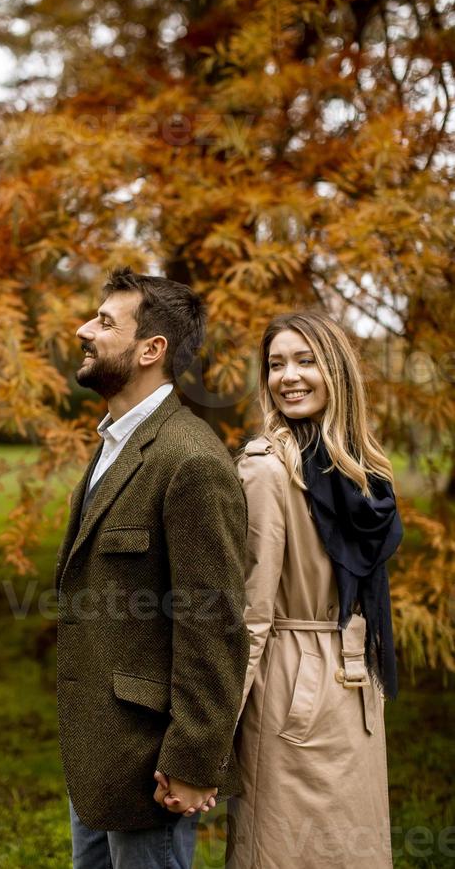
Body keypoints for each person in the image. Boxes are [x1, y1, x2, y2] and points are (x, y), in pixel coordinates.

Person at [56, 266, 249, 869]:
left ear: (151, 349)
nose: (85, 330)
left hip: (150, 761)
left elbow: (213, 626)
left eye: (105, 321)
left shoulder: (189, 460)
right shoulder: (115, 442)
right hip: (97, 747)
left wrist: (193, 762)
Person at [226, 309, 402, 869]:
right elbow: (249, 615)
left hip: (355, 683)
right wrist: (207, 743)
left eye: (305, 360)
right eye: (276, 364)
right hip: (290, 686)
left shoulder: (364, 472)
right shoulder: (267, 471)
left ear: (338, 372)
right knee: (283, 850)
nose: (288, 377)